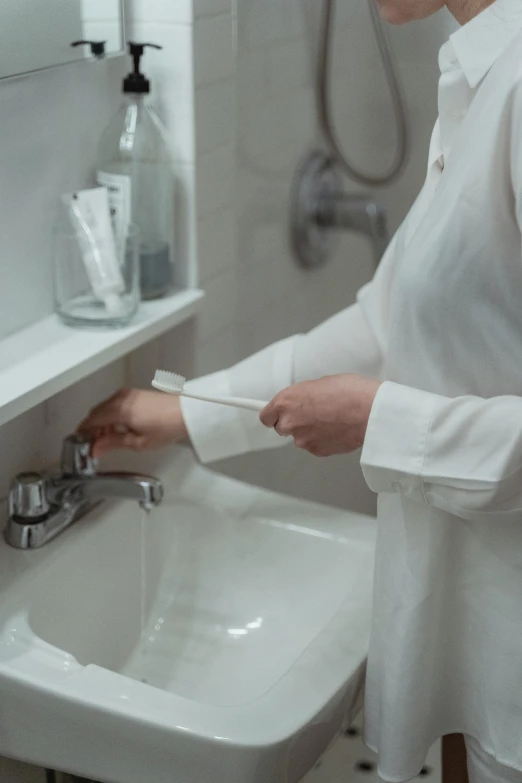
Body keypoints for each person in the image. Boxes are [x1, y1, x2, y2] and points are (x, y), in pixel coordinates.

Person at [79, 1, 522, 781]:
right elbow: (383, 327)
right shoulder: (475, 81)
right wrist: (188, 409)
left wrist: (376, 417)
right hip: (473, 608)